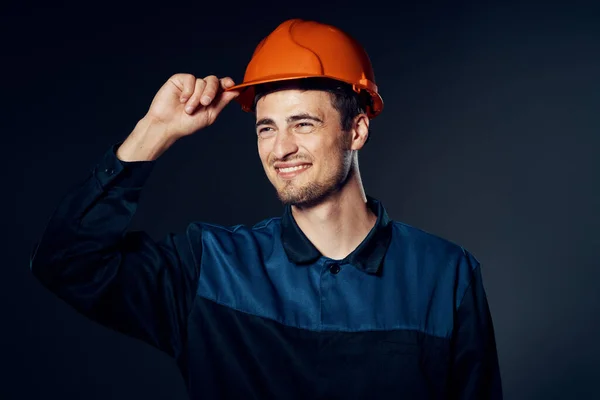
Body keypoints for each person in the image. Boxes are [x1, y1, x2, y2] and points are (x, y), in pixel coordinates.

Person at [30, 18, 503, 399]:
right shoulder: (208, 269)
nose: (281, 149)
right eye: (265, 129)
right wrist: (156, 130)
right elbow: (67, 261)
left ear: (356, 131)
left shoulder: (446, 275)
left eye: (302, 123)